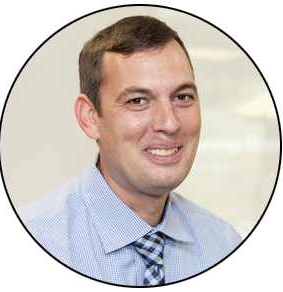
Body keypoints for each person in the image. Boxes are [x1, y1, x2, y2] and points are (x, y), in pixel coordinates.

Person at [17, 15, 242, 286]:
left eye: (182, 97)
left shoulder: (223, 244)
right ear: (90, 117)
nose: (169, 123)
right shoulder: (40, 238)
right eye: (138, 101)